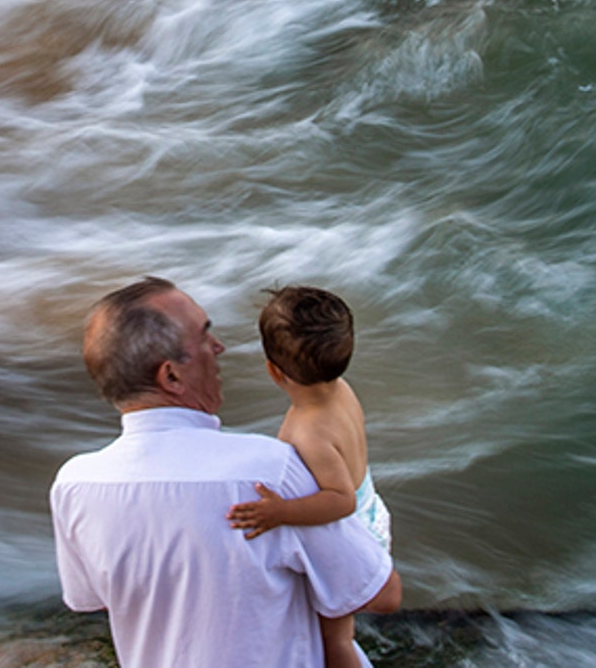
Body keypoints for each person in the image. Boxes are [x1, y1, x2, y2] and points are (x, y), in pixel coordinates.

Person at [51, 277, 401, 668]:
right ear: (171, 377)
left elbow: (90, 598)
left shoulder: (73, 486)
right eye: (205, 337)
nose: (220, 347)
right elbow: (382, 594)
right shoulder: (269, 473)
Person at [225, 286, 391, 668]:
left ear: (272, 370)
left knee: (337, 639)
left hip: (352, 531)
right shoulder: (342, 392)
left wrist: (280, 512)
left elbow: (339, 499)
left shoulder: (308, 431)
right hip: (370, 511)